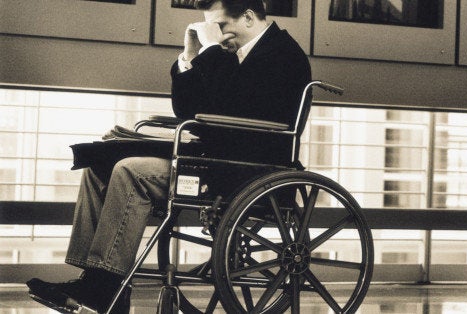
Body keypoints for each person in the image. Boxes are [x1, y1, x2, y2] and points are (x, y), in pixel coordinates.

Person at [25, 0, 311, 312]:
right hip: (215, 162)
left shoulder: (283, 55)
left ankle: (104, 286)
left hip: (247, 171)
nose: (216, 35)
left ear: (248, 17)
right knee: (98, 167)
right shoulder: (234, 55)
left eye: (221, 26)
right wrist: (189, 58)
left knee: (131, 171)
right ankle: (93, 278)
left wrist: (213, 51)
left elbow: (230, 108)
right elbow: (189, 110)